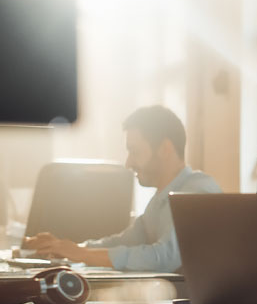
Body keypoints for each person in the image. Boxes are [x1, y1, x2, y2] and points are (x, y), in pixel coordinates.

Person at [22, 105, 221, 272]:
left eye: (134, 152)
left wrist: (81, 254)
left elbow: (164, 257)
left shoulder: (198, 190)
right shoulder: (159, 202)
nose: (128, 163)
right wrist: (66, 247)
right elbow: (127, 241)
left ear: (165, 149)